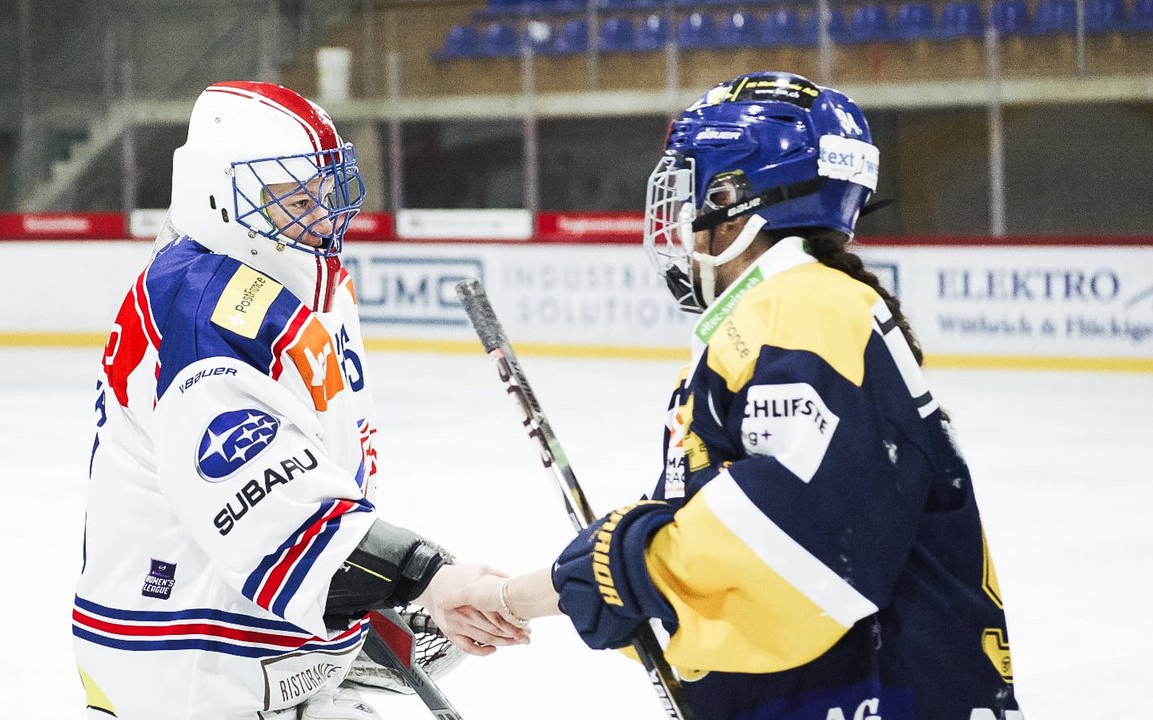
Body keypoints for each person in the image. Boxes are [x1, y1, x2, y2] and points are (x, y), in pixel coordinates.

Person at [463, 71, 1024, 720]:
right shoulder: (779, 314)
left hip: (868, 694)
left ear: (734, 201)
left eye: (690, 193)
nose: (677, 222)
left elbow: (796, 544)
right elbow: (714, 530)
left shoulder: (806, 308)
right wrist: (524, 593)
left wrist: (607, 573)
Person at [74, 81, 526, 720]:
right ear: (216, 196)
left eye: (324, 192)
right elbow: (274, 517)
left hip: (255, 633)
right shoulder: (204, 316)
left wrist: (380, 584)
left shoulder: (301, 283)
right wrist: (428, 577)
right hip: (189, 663)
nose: (321, 216)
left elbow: (317, 478)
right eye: (292, 197)